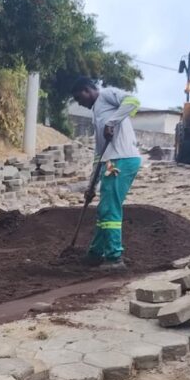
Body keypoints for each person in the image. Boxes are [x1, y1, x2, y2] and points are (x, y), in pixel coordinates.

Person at [71, 78, 141, 270]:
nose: (79, 103)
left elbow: (133, 102)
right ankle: (95, 253)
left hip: (122, 159)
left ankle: (114, 257)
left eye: (79, 98)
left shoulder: (107, 94)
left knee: (110, 209)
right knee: (104, 209)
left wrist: (112, 121)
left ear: (87, 90)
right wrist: (91, 185)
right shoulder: (96, 113)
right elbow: (99, 153)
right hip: (110, 161)